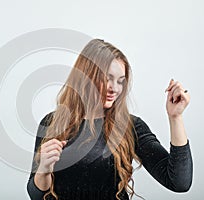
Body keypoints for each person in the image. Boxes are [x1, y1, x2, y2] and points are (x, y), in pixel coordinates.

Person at [26, 39, 193, 200]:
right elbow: (36, 195)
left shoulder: (130, 126)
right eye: (107, 79)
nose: (115, 89)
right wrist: (44, 170)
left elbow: (179, 182)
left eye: (120, 81)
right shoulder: (52, 123)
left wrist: (175, 117)